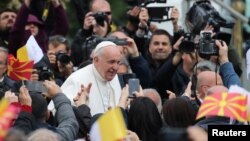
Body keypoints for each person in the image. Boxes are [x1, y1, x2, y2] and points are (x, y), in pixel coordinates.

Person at [56, 41, 122, 116]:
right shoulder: (77, 79)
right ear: (96, 60)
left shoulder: (115, 77)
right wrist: (74, 103)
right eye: (111, 62)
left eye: (118, 62)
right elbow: (58, 109)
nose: (116, 67)